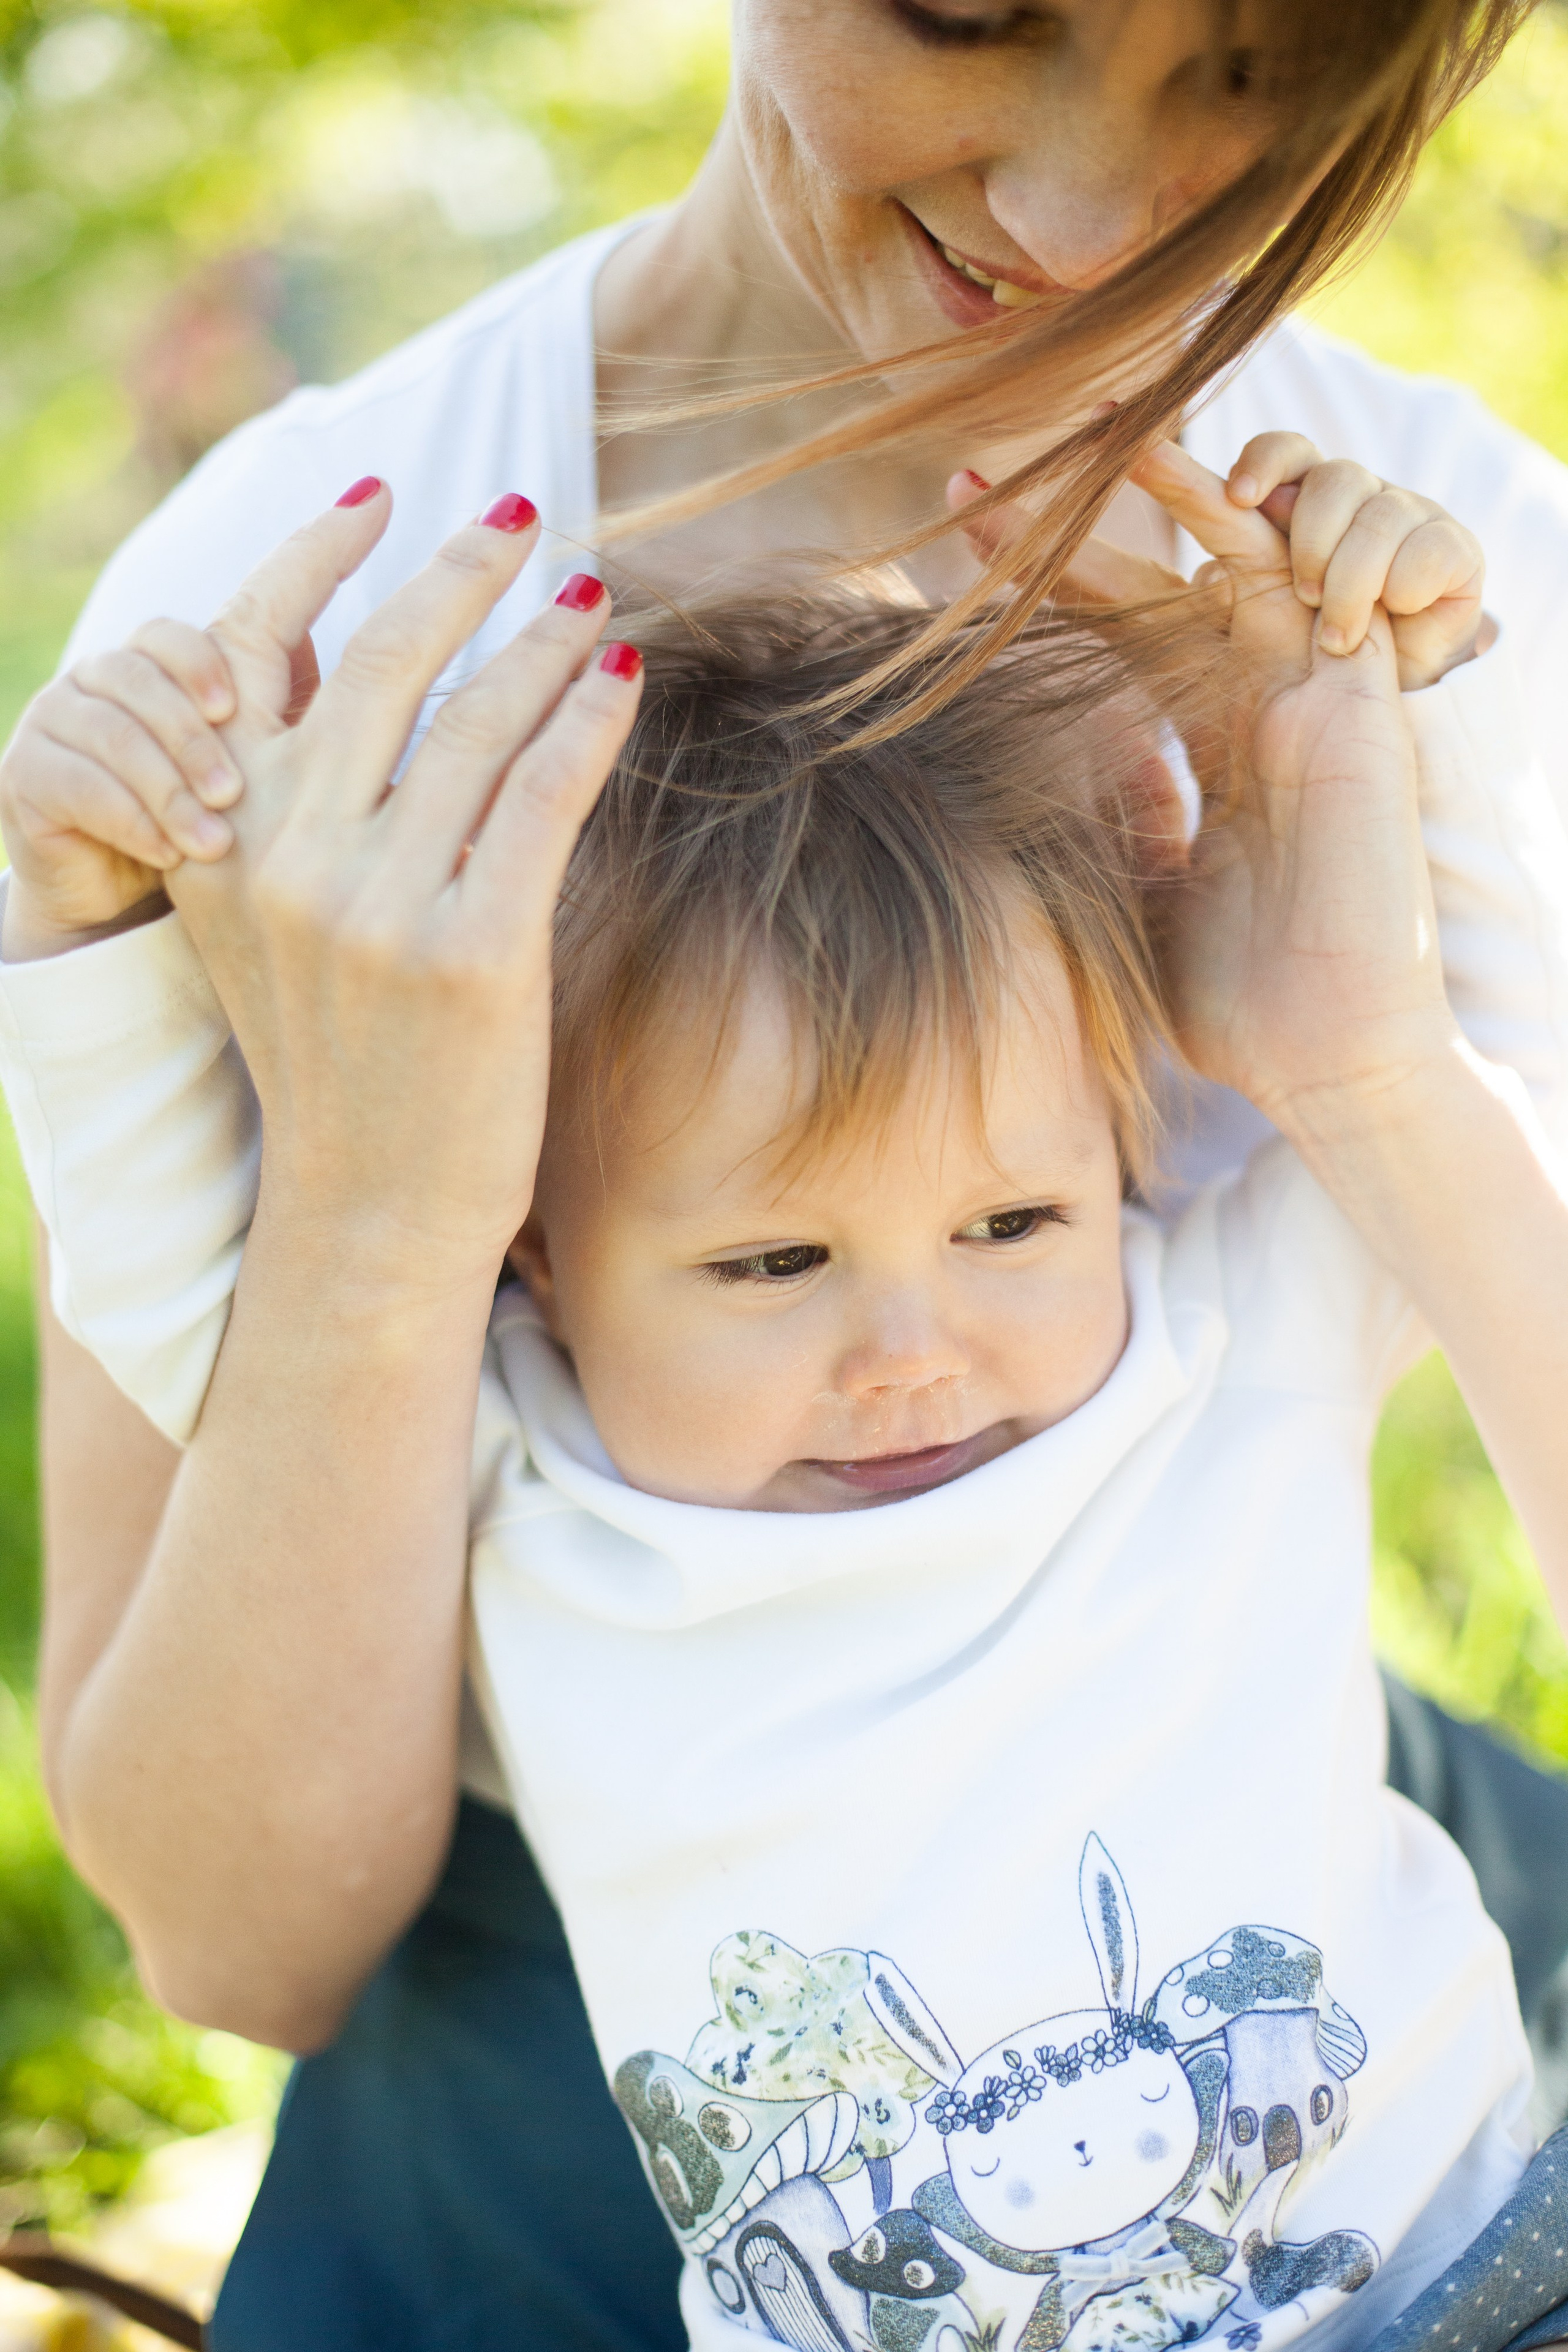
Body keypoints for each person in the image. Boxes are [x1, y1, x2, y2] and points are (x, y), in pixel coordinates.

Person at [17, 0, 1568, 2342]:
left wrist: (1369, 1054)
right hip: (620, 1993)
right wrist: (380, 1220)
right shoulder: (305, 631)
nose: (1074, 220)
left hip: (1287, 1875)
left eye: (1255, 56)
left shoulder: (1427, 618)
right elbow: (237, 1943)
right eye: (969, 6)